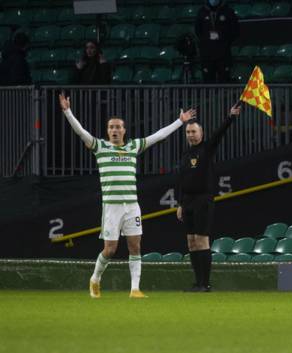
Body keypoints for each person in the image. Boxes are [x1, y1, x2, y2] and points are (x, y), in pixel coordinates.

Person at [58, 93, 196, 299]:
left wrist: (179, 121)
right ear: (108, 131)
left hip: (132, 206)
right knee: (110, 249)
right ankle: (95, 278)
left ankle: (135, 289)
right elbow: (81, 132)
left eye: (118, 127)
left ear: (124, 130)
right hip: (111, 208)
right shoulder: (100, 147)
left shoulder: (133, 146)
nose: (114, 130)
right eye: (111, 127)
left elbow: (158, 136)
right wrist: (67, 111)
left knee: (135, 245)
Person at [176, 103, 241, 292]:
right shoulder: (186, 153)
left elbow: (219, 134)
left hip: (203, 200)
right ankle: (197, 283)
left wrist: (230, 117)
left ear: (201, 133)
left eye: (194, 132)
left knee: (201, 240)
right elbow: (182, 179)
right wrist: (180, 203)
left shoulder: (207, 148)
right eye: (188, 132)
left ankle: (205, 283)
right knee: (190, 241)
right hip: (187, 201)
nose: (191, 135)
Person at [194, 0, 239, 83]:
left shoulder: (228, 11)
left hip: (223, 54)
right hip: (207, 54)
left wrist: (222, 37)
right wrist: (207, 38)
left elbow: (235, 31)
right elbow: (198, 31)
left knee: (224, 81)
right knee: (208, 82)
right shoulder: (202, 12)